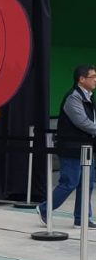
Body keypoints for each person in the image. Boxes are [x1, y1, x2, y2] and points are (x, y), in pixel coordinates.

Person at [36, 64, 96, 228]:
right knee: (69, 182)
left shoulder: (88, 97)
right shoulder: (73, 97)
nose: (95, 80)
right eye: (93, 77)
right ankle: (44, 208)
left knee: (88, 183)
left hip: (87, 149)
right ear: (81, 79)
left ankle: (82, 218)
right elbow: (82, 122)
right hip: (72, 149)